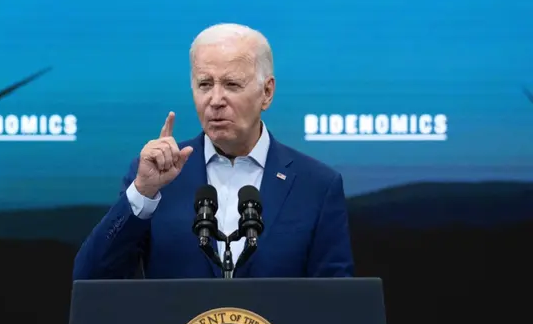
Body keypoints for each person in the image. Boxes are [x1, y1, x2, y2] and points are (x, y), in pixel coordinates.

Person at [73, 23, 354, 279]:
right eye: (205, 84)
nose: (215, 100)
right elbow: (91, 278)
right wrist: (142, 193)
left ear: (267, 92)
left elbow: (336, 304)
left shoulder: (315, 185)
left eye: (231, 84)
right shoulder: (156, 176)